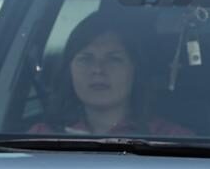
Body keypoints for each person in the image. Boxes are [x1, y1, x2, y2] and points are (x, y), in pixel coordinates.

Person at [38, 11, 189, 137]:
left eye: (113, 59)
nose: (97, 69)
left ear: (136, 70)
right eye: (86, 59)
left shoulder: (173, 139)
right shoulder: (39, 137)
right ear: (68, 70)